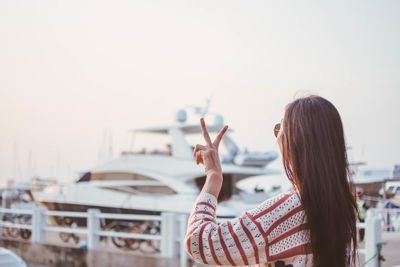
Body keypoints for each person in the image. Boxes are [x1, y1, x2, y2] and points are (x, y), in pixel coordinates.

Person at [185, 95, 358, 267]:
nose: (277, 139)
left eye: (279, 130)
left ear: (293, 142)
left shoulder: (290, 209)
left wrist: (213, 177)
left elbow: (199, 242)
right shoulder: (343, 207)